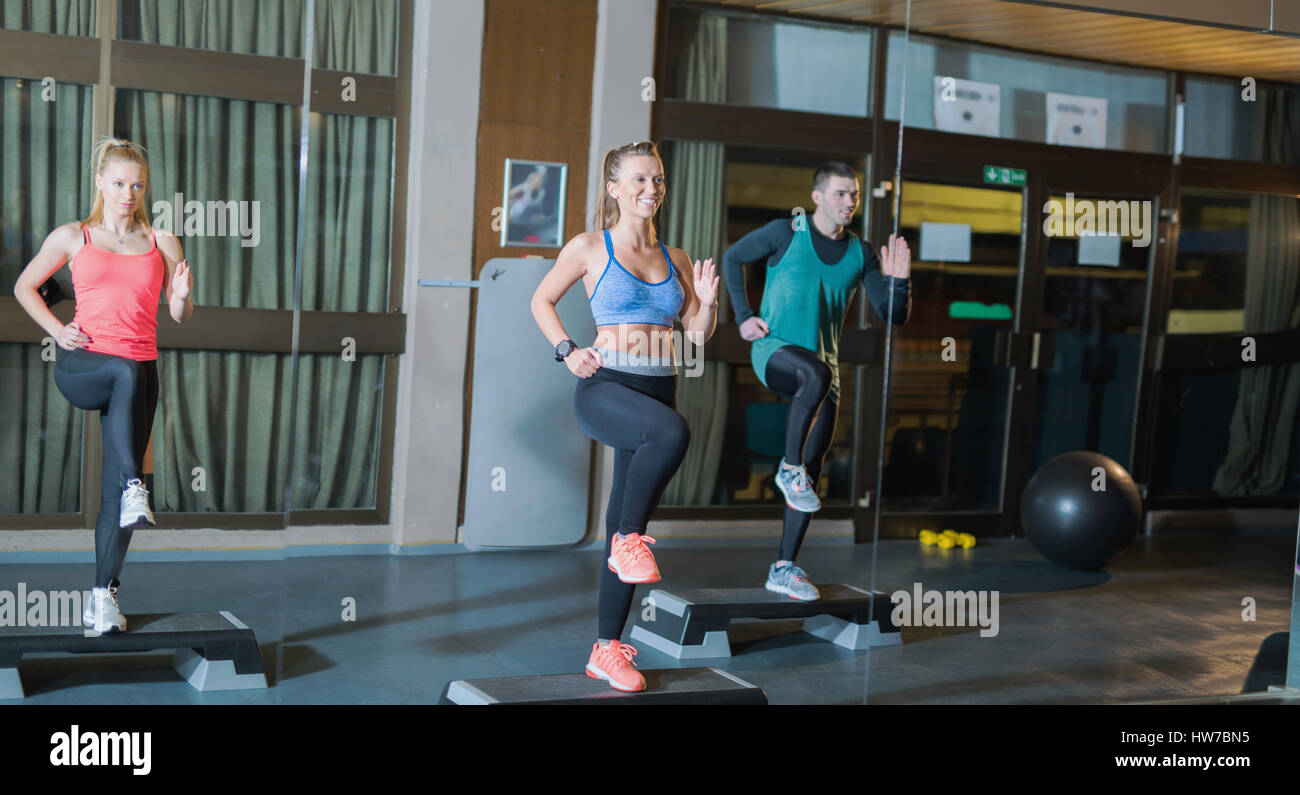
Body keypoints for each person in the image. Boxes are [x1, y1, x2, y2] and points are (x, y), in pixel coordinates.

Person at [531, 141, 718, 692]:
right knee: (671, 436)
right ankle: (627, 541)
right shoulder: (590, 247)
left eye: (657, 180)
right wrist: (567, 350)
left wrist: (704, 301)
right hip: (606, 387)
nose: (650, 190)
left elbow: (697, 338)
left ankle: (607, 649)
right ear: (614, 188)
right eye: (638, 180)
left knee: (623, 521)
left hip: (658, 390)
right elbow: (541, 300)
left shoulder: (677, 258)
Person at [12, 138, 193, 634]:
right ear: (99, 183)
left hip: (141, 375)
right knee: (123, 371)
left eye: (136, 185)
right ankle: (138, 485)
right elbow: (24, 286)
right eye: (117, 183)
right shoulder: (74, 237)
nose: (127, 193)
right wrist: (56, 329)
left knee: (116, 492)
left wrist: (178, 296)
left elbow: (179, 317)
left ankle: (102, 596)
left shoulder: (162, 242)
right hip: (84, 365)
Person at [723, 161, 911, 601]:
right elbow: (733, 259)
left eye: (855, 195)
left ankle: (784, 566)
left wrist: (898, 283)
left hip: (824, 373)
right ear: (819, 197)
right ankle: (788, 469)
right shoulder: (785, 232)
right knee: (815, 376)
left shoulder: (861, 254)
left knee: (814, 468)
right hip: (775, 352)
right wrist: (744, 317)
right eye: (842, 194)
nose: (850, 202)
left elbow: (893, 315)